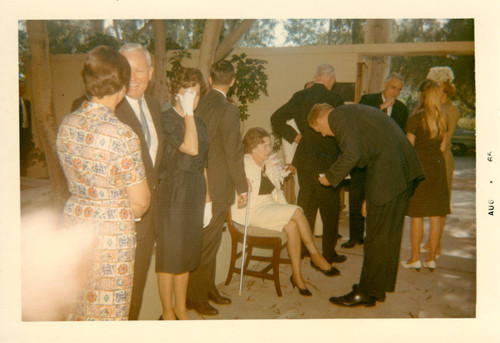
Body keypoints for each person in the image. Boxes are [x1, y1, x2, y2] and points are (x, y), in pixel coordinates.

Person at [56, 46, 151, 320]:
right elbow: (141, 202)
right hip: (109, 237)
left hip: (74, 224)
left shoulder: (67, 124)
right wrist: (110, 212)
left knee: (76, 308)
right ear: (121, 85)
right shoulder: (122, 135)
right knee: (106, 315)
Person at [308, 102, 424, 307]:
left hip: (390, 173)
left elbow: (351, 154)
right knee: (388, 235)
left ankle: (366, 292)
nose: (325, 135)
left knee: (376, 236)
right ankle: (377, 288)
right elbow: (364, 153)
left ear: (320, 119)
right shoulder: (350, 113)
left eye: (320, 131)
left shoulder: (337, 117)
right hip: (401, 171)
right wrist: (367, 198)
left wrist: (330, 177)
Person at [232, 128, 342, 296]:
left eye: (269, 145)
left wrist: (286, 170)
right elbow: (227, 172)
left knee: (292, 226)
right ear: (253, 148)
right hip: (253, 210)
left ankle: (297, 276)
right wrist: (241, 181)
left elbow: (278, 182)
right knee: (297, 211)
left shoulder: (268, 163)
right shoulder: (242, 163)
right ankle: (315, 254)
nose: (269, 150)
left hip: (270, 206)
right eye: (265, 146)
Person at [186, 60, 248, 316]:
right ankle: (197, 298)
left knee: (208, 239)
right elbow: (235, 152)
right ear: (232, 81)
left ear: (210, 80)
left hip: (197, 179)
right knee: (209, 242)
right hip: (219, 185)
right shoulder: (228, 109)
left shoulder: (199, 103)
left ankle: (209, 288)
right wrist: (243, 187)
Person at [271, 63, 346, 267]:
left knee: (307, 204)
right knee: (330, 208)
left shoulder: (299, 96)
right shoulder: (336, 99)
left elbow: (276, 118)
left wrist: (294, 136)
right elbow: (342, 130)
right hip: (328, 159)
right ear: (331, 80)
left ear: (315, 76)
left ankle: (304, 250)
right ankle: (328, 253)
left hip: (304, 158)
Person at [156, 68, 210, 320]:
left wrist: (207, 199)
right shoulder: (167, 119)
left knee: (186, 252)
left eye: (197, 93)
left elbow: (203, 161)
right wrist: (188, 111)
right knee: (171, 253)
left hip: (195, 189)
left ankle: (181, 308)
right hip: (175, 190)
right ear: (177, 93)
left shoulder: (198, 122)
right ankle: (168, 312)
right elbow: (190, 147)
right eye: (188, 92)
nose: (194, 98)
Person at [116, 43, 164, 320]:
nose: (133, 77)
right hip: (118, 221)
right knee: (116, 298)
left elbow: (156, 165)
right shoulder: (107, 108)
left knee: (135, 293)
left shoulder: (155, 107)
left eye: (139, 70)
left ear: (151, 72)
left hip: (148, 221)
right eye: (126, 70)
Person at [342, 73, 409, 249]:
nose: (395, 92)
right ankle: (355, 237)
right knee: (356, 198)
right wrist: (381, 107)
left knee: (378, 200)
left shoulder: (402, 109)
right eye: (393, 87)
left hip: (385, 162)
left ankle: (373, 237)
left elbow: (400, 136)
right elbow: (358, 123)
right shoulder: (368, 100)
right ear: (385, 84)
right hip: (363, 159)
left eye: (399, 89)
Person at [401, 80, 451, 271]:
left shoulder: (416, 119)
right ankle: (431, 258)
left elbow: (408, 148)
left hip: (420, 169)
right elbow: (443, 147)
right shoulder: (442, 118)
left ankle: (415, 258)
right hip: (437, 168)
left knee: (417, 216)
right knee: (436, 215)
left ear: (422, 96)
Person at [421, 66, 460, 257]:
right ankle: (431, 240)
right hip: (430, 157)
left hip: (442, 159)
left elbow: (446, 140)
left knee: (441, 202)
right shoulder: (431, 104)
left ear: (444, 85)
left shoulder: (451, 109)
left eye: (436, 83)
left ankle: (436, 244)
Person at [19, 80, 34, 176]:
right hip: (17, 133)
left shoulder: (27, 103)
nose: (22, 89)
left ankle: (23, 174)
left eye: (24, 87)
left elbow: (30, 120)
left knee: (24, 155)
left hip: (25, 133)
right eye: (20, 87)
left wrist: (30, 134)